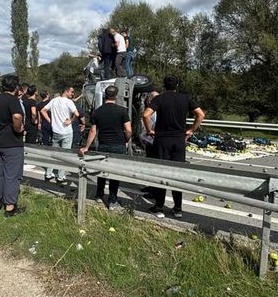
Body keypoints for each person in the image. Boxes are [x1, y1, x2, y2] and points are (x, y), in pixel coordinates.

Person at [142, 76, 205, 219]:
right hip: (179, 140)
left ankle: (159, 206)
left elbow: (146, 115)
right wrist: (191, 130)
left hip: (162, 140)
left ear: (164, 85)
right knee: (177, 174)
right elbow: (200, 114)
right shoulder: (185, 99)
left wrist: (149, 130)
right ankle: (178, 208)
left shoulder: (160, 99)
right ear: (178, 84)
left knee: (161, 173)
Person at [80, 86, 132, 210]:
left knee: (101, 171)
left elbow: (93, 131)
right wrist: (125, 139)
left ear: (105, 95)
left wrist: (86, 147)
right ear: (116, 95)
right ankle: (112, 200)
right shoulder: (122, 111)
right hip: (118, 146)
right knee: (115, 174)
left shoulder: (97, 111)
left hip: (103, 145)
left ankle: (99, 194)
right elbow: (128, 130)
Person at [0, 74, 25, 217]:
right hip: (11, 142)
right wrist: (19, 129)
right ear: (15, 87)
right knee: (12, 175)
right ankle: (10, 206)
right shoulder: (13, 100)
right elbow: (17, 116)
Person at [40, 86, 80, 185]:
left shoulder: (54, 100)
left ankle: (48, 173)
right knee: (64, 155)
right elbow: (77, 114)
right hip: (66, 132)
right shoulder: (69, 102)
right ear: (66, 91)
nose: (72, 94)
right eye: (71, 92)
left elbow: (43, 110)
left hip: (56, 131)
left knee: (54, 153)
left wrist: (50, 121)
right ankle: (60, 176)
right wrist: (71, 120)